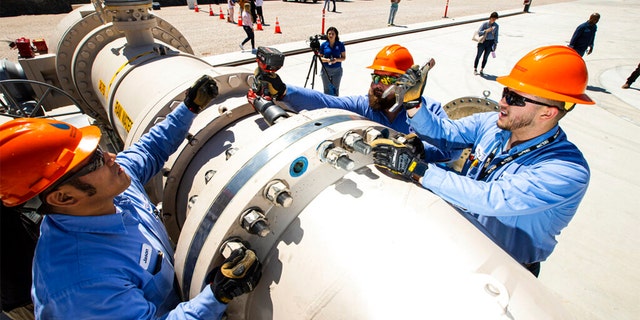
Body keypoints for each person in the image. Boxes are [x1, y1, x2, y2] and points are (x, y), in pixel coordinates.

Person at [0, 75, 263, 319]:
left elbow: (148, 150)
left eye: (99, 150)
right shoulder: (81, 285)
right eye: (93, 162)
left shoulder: (110, 190)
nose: (110, 157)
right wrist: (216, 296)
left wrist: (189, 109)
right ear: (63, 198)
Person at [371, 45, 594, 277]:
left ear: (547, 113)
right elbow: (445, 132)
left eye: (514, 98)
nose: (503, 102)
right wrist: (413, 103)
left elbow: (491, 198)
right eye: (506, 92)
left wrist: (418, 169)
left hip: (503, 272)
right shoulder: (492, 124)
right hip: (460, 243)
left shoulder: (566, 170)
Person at [253, 44, 458, 164]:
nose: (377, 84)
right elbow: (327, 103)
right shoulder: (366, 106)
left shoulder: (429, 110)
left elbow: (453, 151)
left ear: (407, 84)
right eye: (375, 76)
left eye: (386, 80)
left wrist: (423, 150)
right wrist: (284, 91)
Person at [318, 26, 346, 96]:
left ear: (336, 35)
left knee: (335, 89)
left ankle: (335, 103)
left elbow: (343, 57)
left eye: (333, 34)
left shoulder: (340, 44)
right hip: (326, 70)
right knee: (327, 89)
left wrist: (336, 60)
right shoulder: (323, 45)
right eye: (329, 33)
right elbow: (319, 58)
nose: (331, 35)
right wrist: (327, 60)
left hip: (337, 70)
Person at [473, 11, 499, 76]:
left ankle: (482, 69)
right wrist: (486, 31)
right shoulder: (485, 24)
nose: (493, 20)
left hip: (490, 42)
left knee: (485, 57)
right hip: (482, 42)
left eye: (495, 19)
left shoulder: (496, 26)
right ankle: (475, 69)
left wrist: (495, 44)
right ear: (490, 18)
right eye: (493, 18)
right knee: (478, 55)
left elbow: (496, 35)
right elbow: (479, 32)